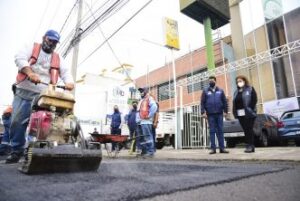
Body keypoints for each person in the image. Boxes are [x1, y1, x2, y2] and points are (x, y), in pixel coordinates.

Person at [6, 30, 74, 163]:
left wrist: (69, 82)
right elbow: (19, 58)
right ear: (44, 38)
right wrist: (30, 73)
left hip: (44, 96)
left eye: (55, 42)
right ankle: (16, 151)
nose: (52, 44)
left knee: (41, 123)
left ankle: (32, 150)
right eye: (50, 40)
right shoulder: (31, 47)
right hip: (24, 91)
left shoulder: (58, 58)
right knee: (17, 122)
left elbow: (66, 72)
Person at [201, 75, 229, 154]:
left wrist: (226, 111)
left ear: (215, 81)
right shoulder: (205, 91)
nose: (211, 82)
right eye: (210, 81)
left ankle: (222, 148)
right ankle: (213, 149)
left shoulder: (221, 90)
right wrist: (203, 112)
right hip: (210, 115)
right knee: (212, 131)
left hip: (219, 114)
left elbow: (224, 102)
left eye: (212, 80)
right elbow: (202, 102)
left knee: (220, 131)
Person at [232, 75, 257, 153]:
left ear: (244, 81)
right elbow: (235, 102)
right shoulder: (236, 92)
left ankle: (250, 145)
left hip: (249, 113)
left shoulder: (250, 89)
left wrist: (250, 108)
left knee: (249, 129)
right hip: (240, 114)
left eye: (240, 81)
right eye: (237, 81)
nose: (239, 83)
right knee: (245, 130)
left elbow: (254, 99)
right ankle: (249, 145)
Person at [136, 87, 158, 157]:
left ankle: (150, 152)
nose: (141, 93)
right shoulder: (141, 100)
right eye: (140, 92)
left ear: (146, 91)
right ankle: (144, 151)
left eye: (142, 91)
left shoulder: (149, 98)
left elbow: (154, 107)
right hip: (140, 122)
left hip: (146, 122)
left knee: (147, 137)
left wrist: (149, 115)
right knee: (142, 138)